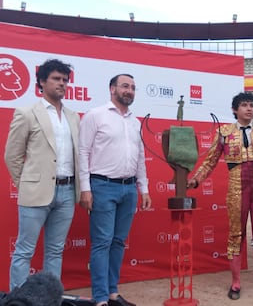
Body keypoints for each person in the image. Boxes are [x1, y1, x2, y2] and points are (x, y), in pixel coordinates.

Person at [187, 92, 253, 305]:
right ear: (235, 110)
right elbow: (210, 161)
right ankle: (236, 282)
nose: (249, 109)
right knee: (236, 235)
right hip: (237, 188)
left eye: (251, 105)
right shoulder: (225, 133)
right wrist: (196, 180)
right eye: (244, 105)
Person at [4, 59, 80, 290]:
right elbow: (12, 156)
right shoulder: (26, 113)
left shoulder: (73, 117)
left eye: (65, 80)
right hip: (36, 192)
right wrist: (27, 184)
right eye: (56, 79)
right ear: (42, 82)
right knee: (24, 250)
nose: (62, 84)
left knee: (55, 251)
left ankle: (51, 299)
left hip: (67, 191)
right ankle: (17, 300)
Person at [78, 74, 152, 306]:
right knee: (102, 242)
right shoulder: (95, 115)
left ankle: (112, 292)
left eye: (132, 87)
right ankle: (99, 297)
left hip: (129, 189)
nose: (129, 91)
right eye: (124, 86)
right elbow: (82, 152)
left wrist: (145, 188)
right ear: (112, 89)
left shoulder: (135, 121)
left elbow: (140, 158)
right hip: (101, 186)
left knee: (118, 242)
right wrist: (85, 188)